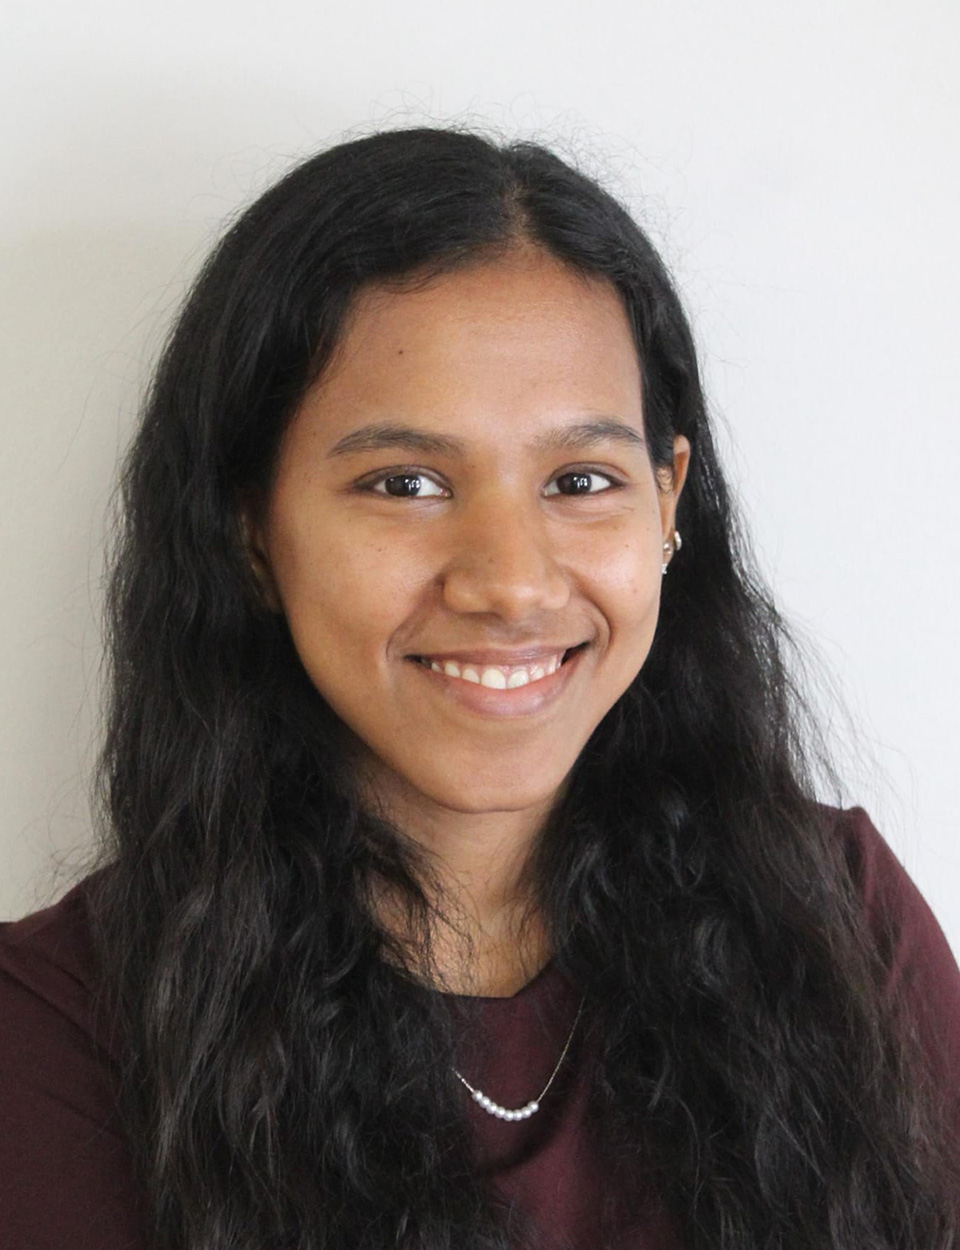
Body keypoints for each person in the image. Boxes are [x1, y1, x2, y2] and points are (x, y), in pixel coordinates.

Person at [1, 126, 958, 1250]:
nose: (511, 582)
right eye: (405, 482)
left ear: (668, 504)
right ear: (250, 529)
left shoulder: (837, 911)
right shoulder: (58, 1028)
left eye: (581, 479)